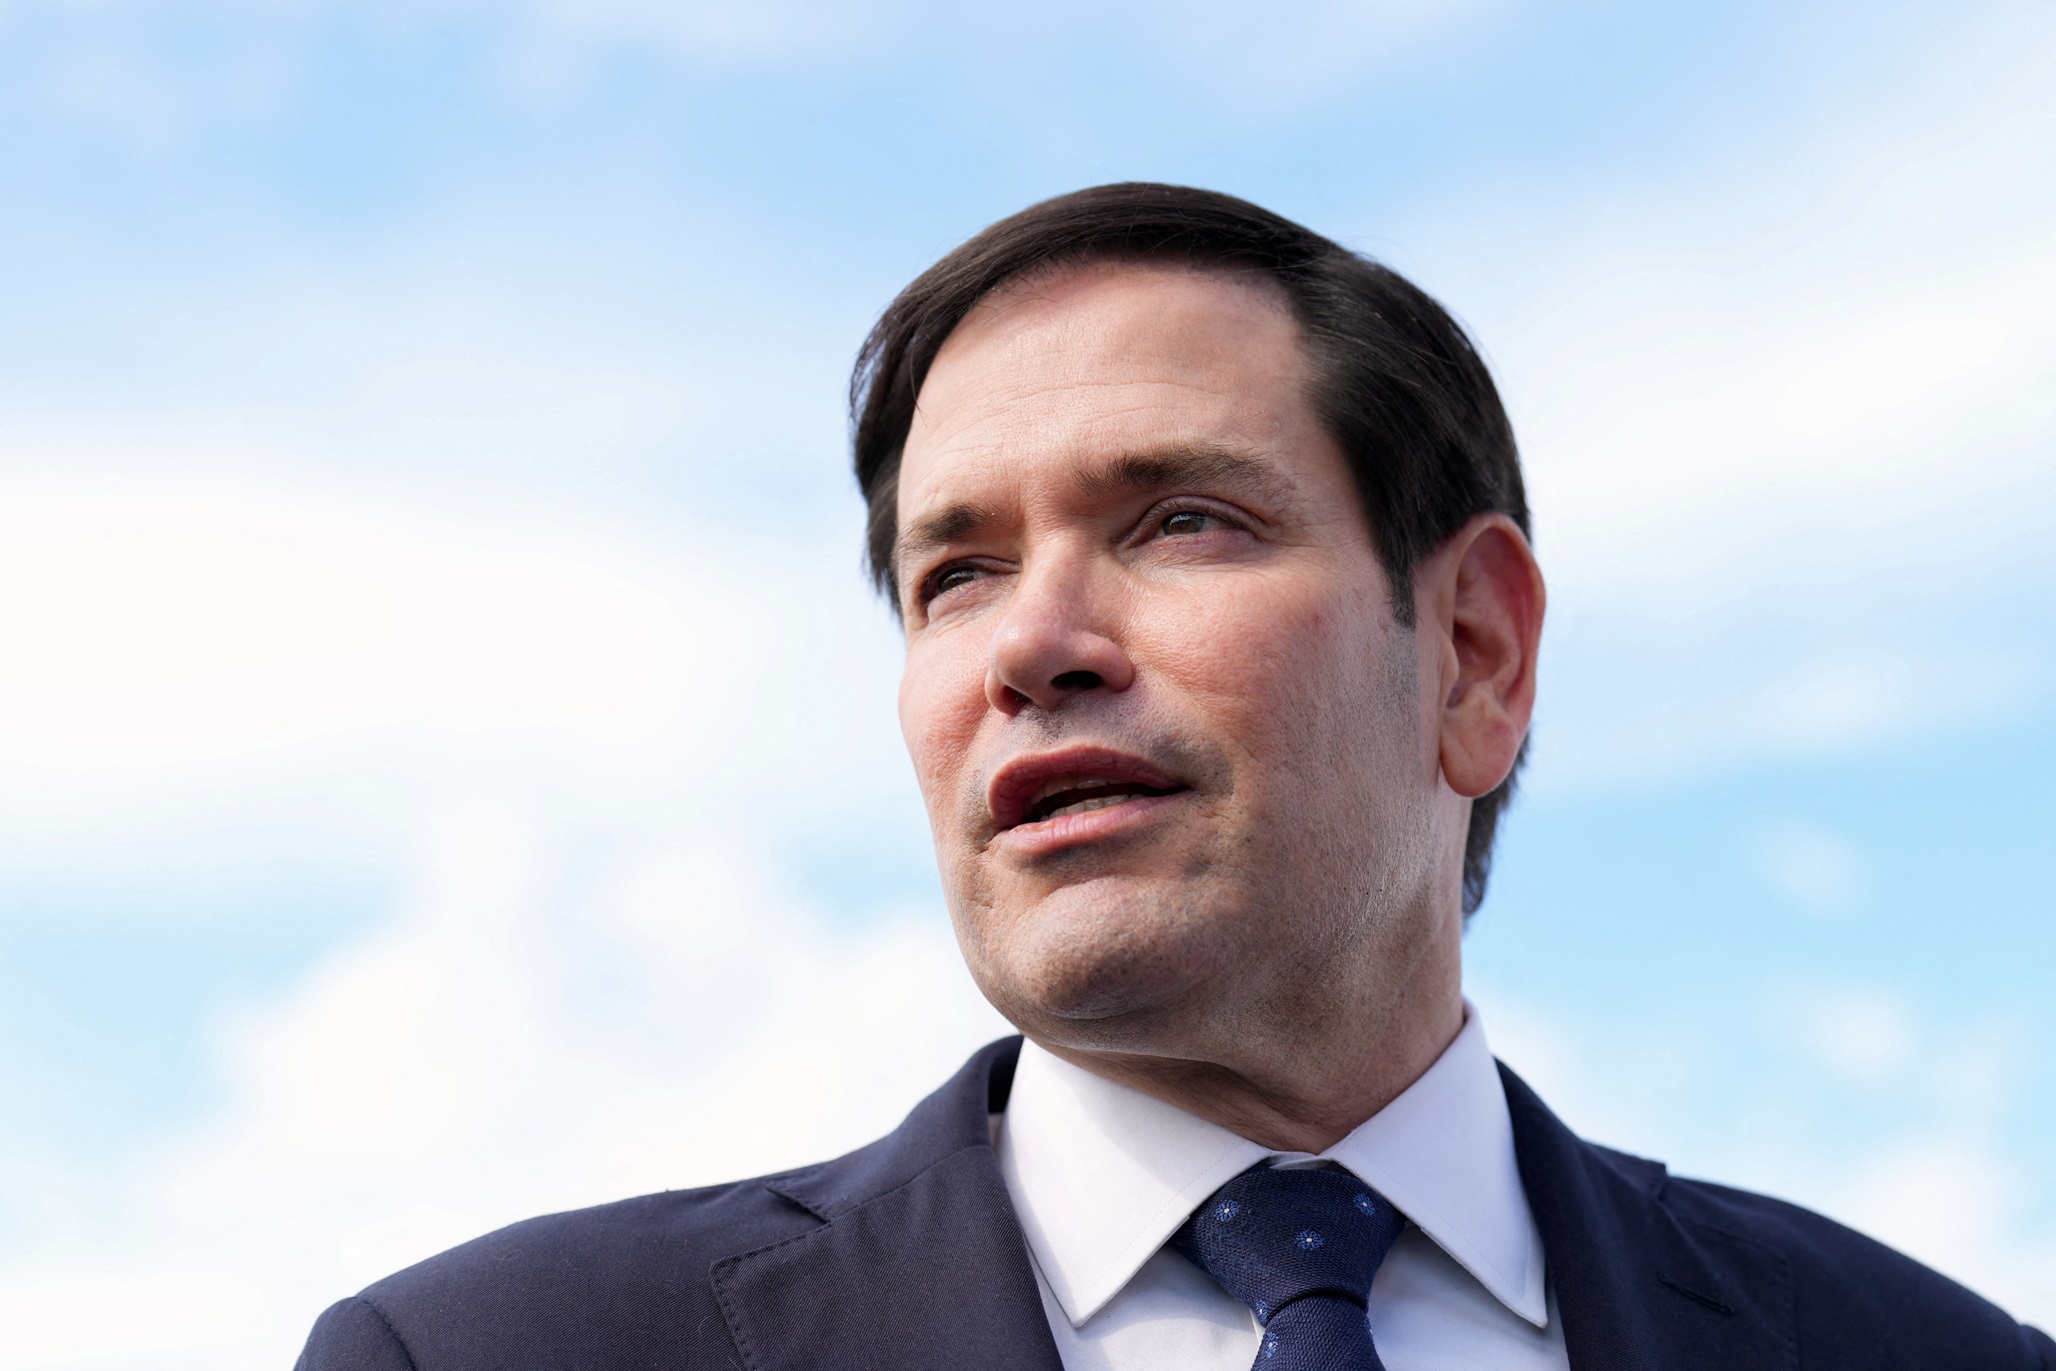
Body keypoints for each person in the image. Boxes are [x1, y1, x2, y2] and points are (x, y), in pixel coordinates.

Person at [295, 183, 2054, 1370]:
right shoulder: (484, 1358)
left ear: (1471, 656)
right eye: (955, 574)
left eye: (1180, 522)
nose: (1029, 643)